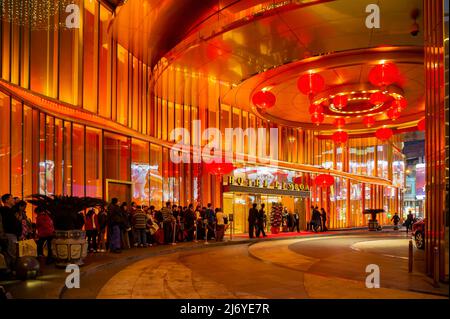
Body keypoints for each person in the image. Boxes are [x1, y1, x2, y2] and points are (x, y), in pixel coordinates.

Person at [0, 194, 21, 267]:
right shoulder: (5, 211)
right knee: (11, 253)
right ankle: (10, 270)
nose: (13, 200)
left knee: (12, 253)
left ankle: (10, 269)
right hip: (9, 234)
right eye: (11, 199)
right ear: (6, 200)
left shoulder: (9, 210)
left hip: (12, 234)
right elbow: (10, 224)